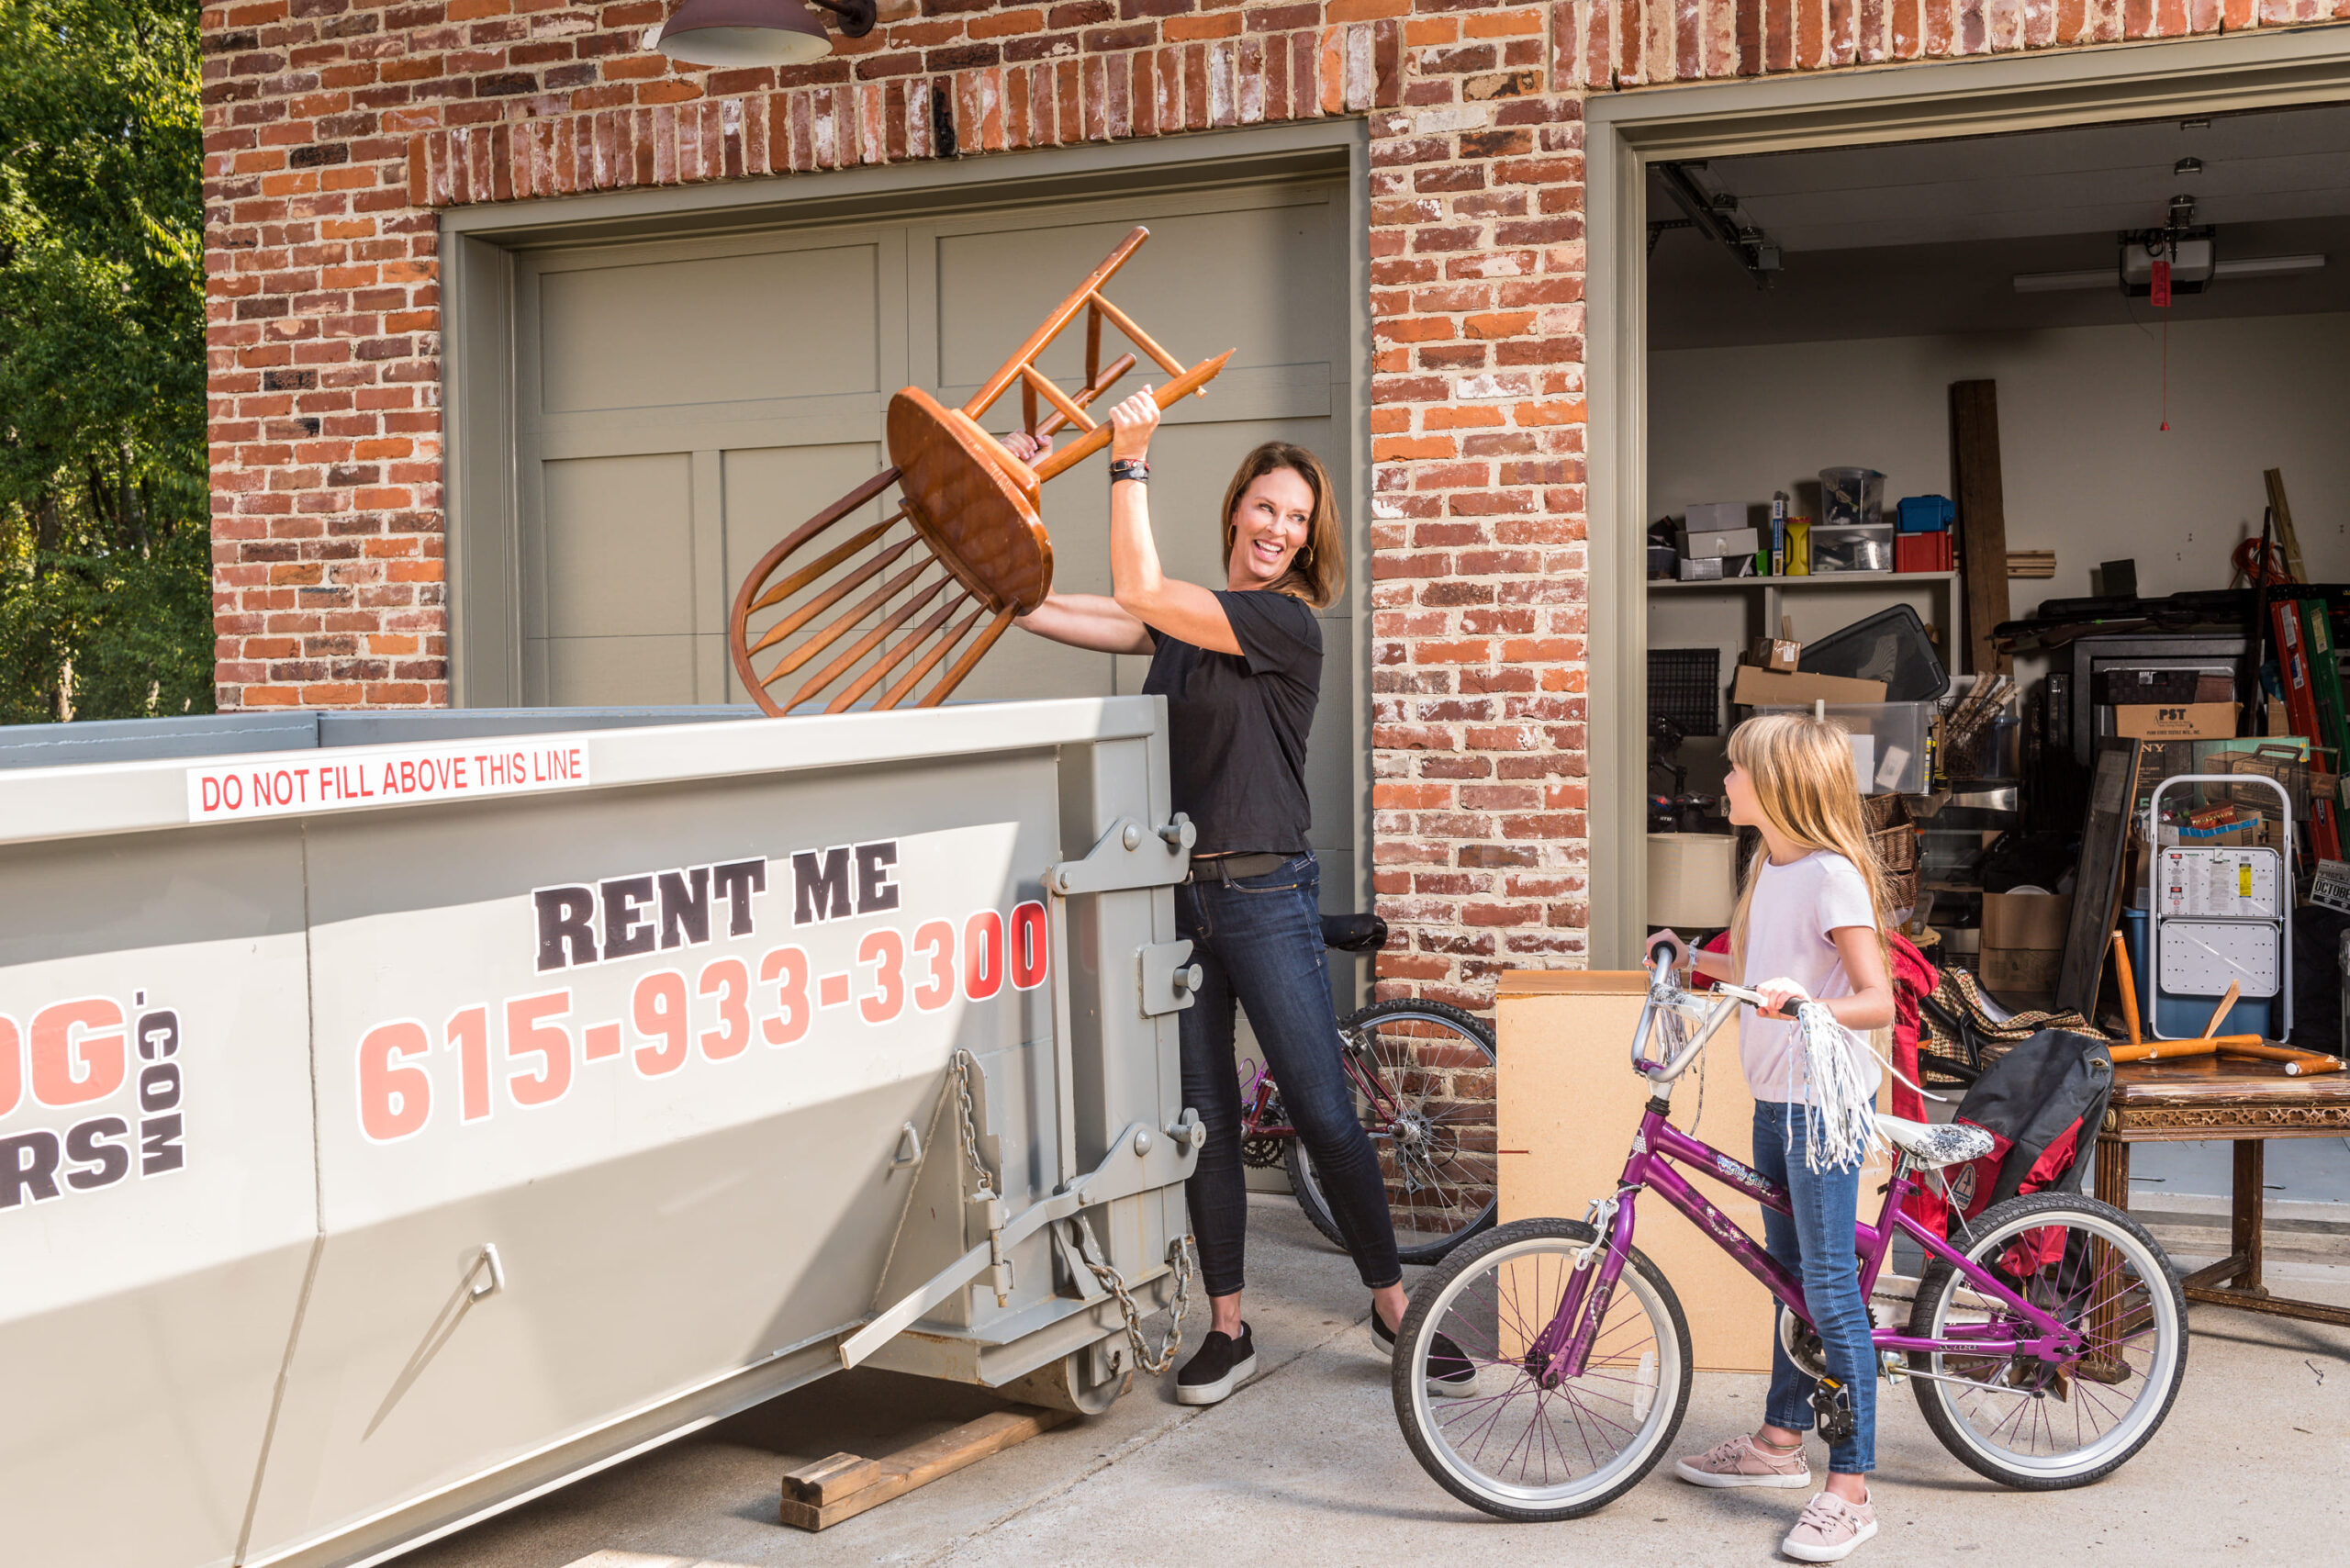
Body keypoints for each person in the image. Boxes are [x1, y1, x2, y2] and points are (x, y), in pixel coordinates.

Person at [1004, 391, 1471, 1407]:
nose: (1277, 529)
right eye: (1265, 508)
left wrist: (1127, 465)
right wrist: (1014, 487)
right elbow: (1037, 602)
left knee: (1321, 1112)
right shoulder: (1173, 626)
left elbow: (1137, 580)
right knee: (1206, 1120)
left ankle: (1395, 1304)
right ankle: (1228, 1325)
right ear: (1235, 512)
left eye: (1296, 518)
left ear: (1309, 539)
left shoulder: (1282, 623)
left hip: (1264, 895)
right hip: (1177, 900)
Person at [1645, 712, 1896, 1564]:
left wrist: (1810, 1005)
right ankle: (1779, 1444)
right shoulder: (1771, 866)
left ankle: (1851, 1488)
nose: (1724, 780)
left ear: (1780, 785)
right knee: (1789, 1279)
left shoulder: (1832, 877)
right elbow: (1761, 977)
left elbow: (1877, 999)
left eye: (1738, 769)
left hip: (1823, 1109)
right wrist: (1693, 957)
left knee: (1827, 1287)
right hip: (1774, 1101)